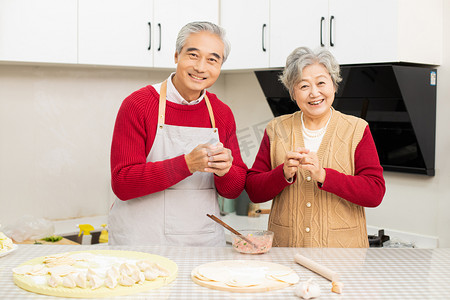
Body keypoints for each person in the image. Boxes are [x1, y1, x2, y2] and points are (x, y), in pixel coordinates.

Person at [109, 21, 247, 246]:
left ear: (220, 66)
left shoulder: (221, 114)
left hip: (201, 243)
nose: (201, 67)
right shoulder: (138, 105)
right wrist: (188, 164)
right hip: (143, 243)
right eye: (193, 55)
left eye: (213, 59)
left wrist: (227, 171)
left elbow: (233, 190)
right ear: (176, 56)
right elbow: (123, 183)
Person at [245, 47, 385, 248]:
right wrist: (282, 174)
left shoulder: (357, 129)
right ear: (293, 92)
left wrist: (325, 176)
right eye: (303, 86)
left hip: (343, 257)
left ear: (334, 85)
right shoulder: (276, 129)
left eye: (321, 83)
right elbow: (253, 191)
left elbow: (375, 193)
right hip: (286, 253)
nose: (314, 93)